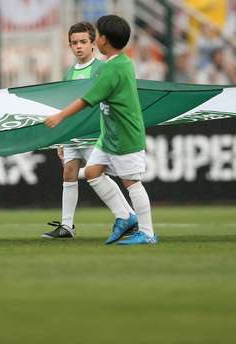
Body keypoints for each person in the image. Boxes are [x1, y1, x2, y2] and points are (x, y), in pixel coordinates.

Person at [44, 15, 157, 245]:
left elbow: (88, 100)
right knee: (93, 172)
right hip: (109, 136)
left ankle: (147, 232)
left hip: (125, 134)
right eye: (74, 42)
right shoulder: (119, 63)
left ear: (102, 40)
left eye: (94, 37)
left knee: (132, 182)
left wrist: (60, 116)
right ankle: (124, 216)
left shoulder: (111, 68)